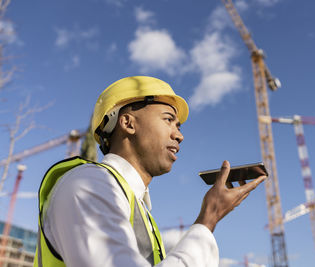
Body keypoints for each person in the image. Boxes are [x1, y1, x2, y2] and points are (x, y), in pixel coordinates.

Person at [34, 76, 266, 267]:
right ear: (128, 123)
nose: (179, 135)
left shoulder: (138, 209)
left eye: (178, 126)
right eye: (168, 120)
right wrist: (208, 219)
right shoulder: (88, 184)